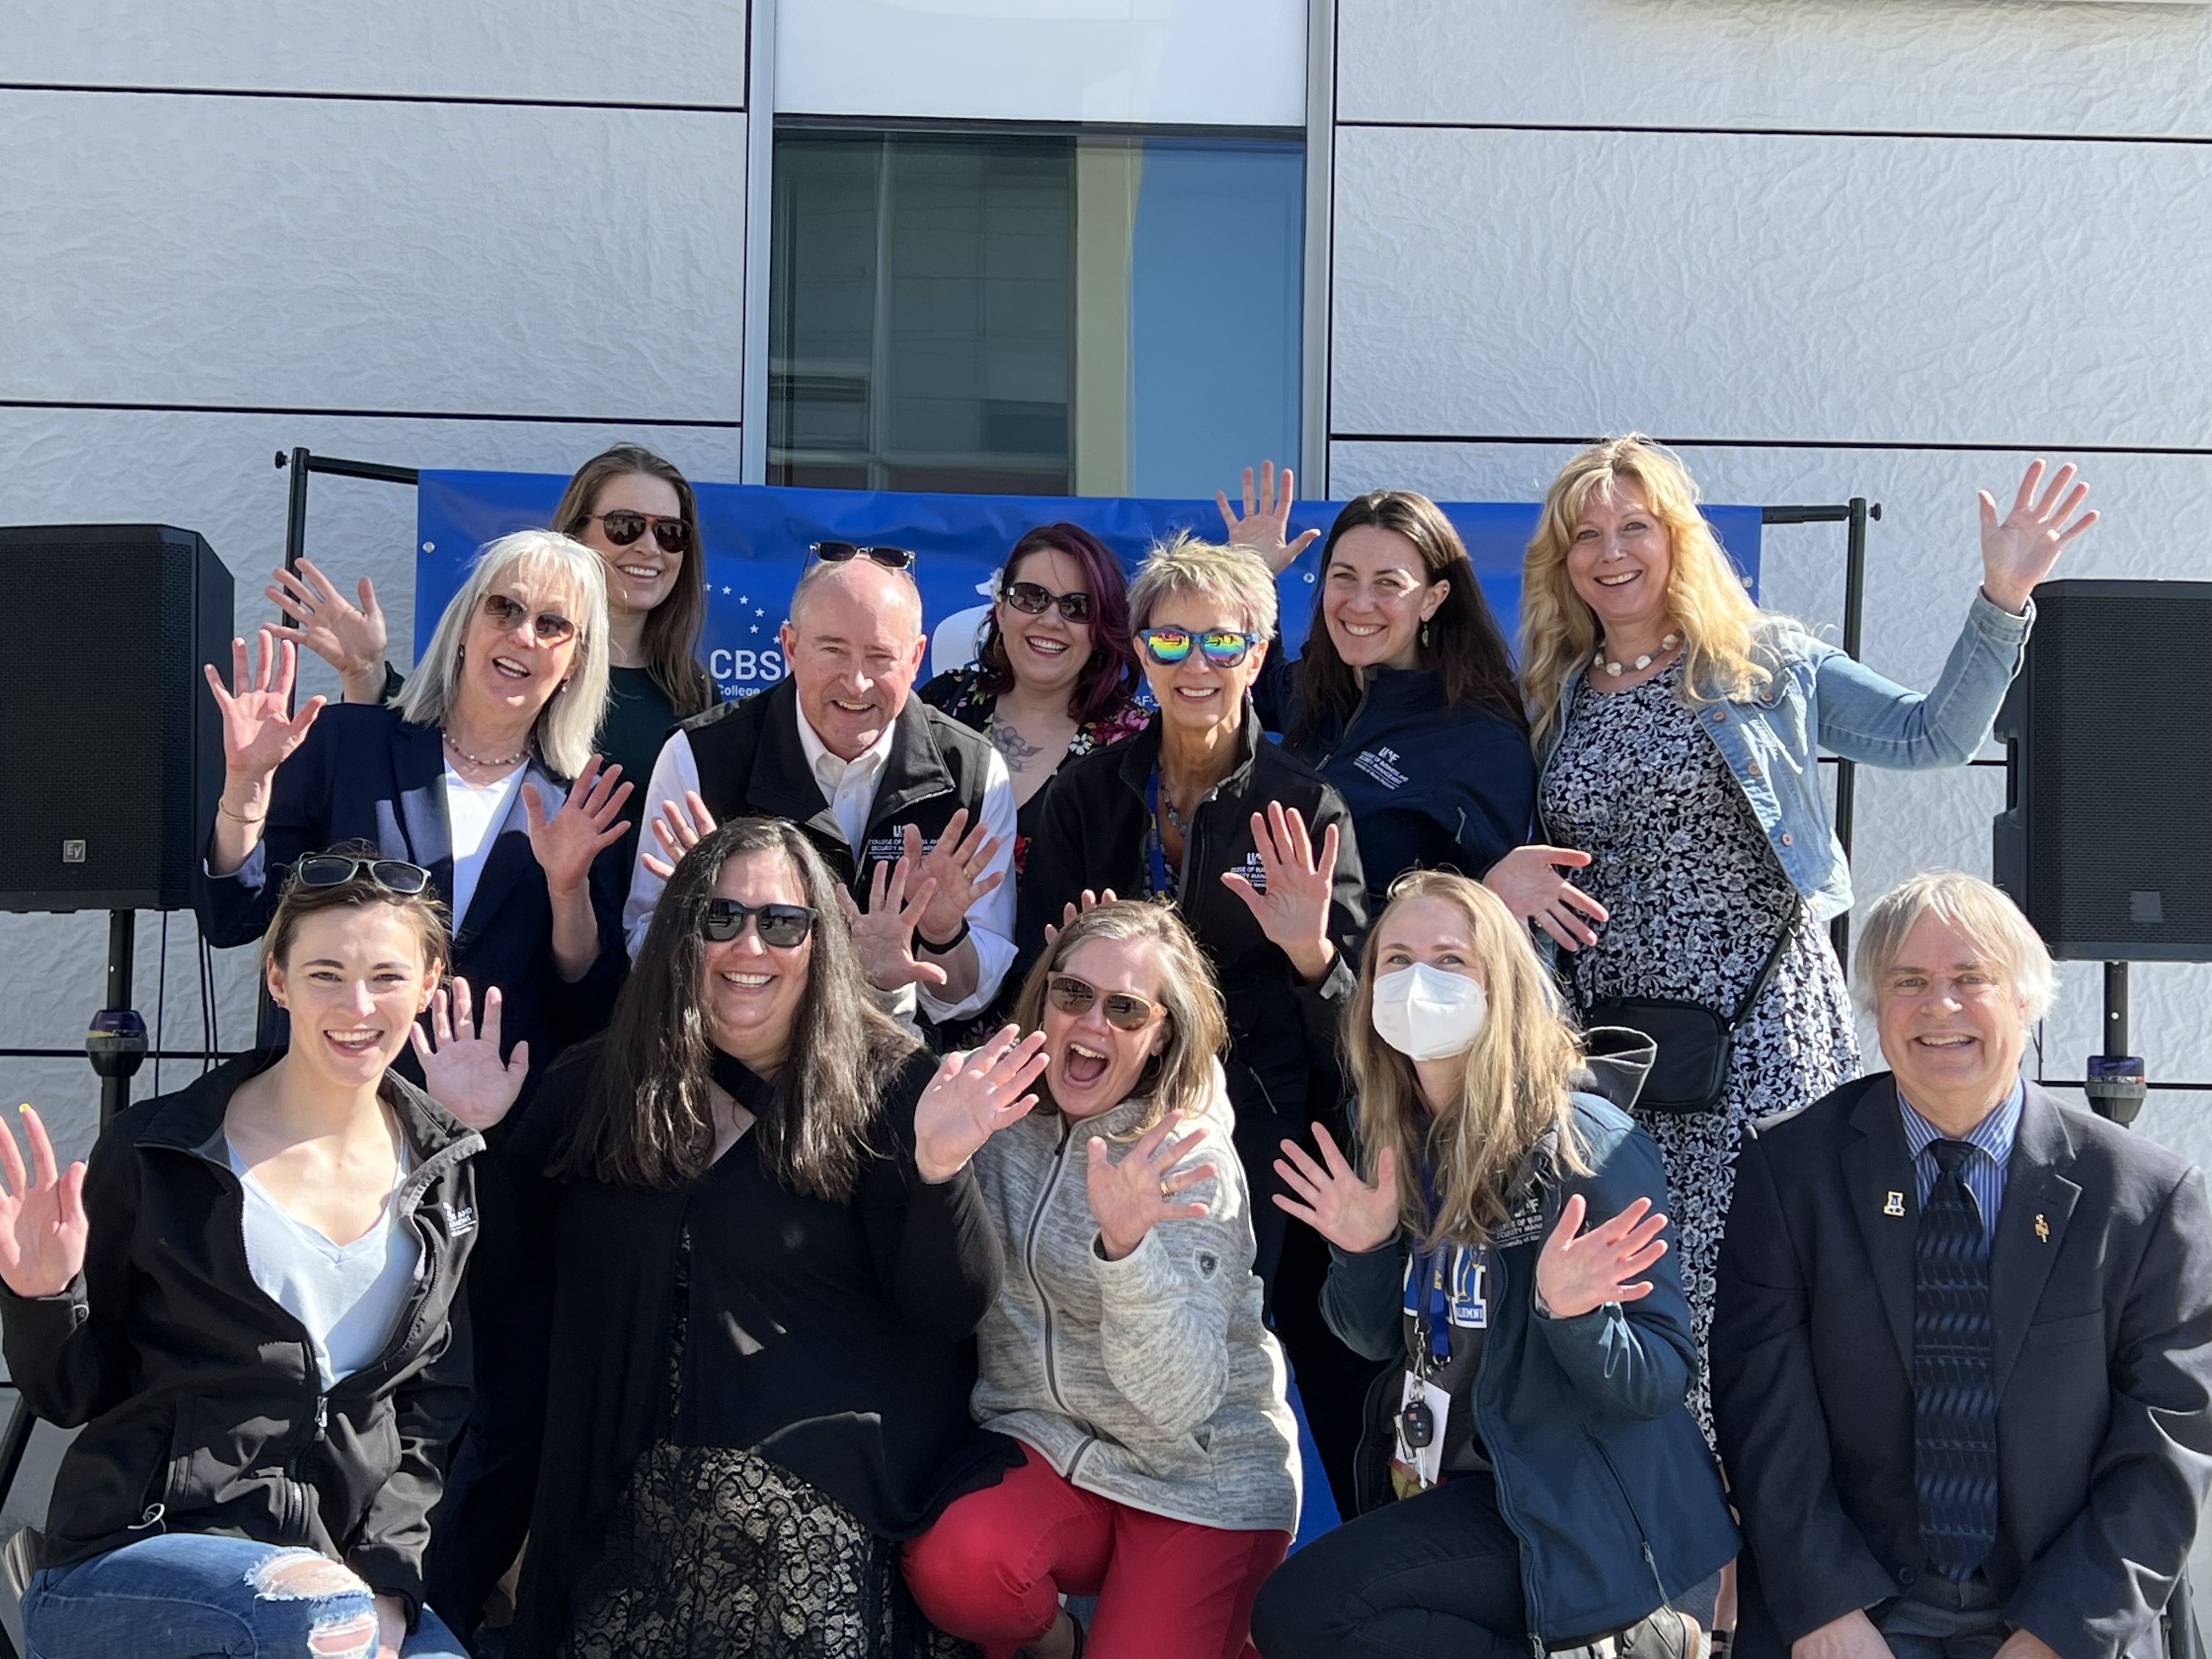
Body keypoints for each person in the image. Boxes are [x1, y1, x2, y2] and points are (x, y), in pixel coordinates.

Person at [1500, 436, 2097, 1447]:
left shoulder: (1761, 660)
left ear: (1676, 539)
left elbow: (1930, 734)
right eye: (1585, 535)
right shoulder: (1553, 693)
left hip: (1758, 1026)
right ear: (1562, 564)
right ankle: (1678, 1561)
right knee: (1639, 1277)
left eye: (1633, 526)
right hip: (1617, 1050)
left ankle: (1765, 1560)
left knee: (1765, 1275)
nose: (1611, 551)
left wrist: (2002, 598)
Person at [192, 527, 634, 1642]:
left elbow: (589, 1009)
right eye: (505, 610)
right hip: (328, 1133)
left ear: (578, 659)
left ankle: (420, 1611)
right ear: (467, 620)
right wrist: (247, 785)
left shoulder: (578, 795)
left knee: (489, 1405)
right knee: (325, 1372)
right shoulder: (349, 745)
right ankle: (303, 1596)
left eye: (553, 626)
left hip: (497, 1153)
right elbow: (242, 911)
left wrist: (570, 888)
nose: (523, 638)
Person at [508, 817, 1039, 1658]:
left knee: (764, 1520)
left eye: (782, 922)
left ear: (819, 944)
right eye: (720, 917)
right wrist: (470, 1139)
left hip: (816, 1477)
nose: (748, 944)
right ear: (682, 932)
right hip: (627, 1479)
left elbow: (948, 1309)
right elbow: (504, 1268)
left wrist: (938, 1173)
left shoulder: (890, 1084)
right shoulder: (600, 1087)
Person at [2, 857, 527, 1659]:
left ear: (428, 986)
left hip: (335, 1574)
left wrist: (390, 1585)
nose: (357, 1006)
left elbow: (428, 1410)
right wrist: (42, 1297)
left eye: (387, 976)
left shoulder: (442, 1170)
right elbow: (72, 1394)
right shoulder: (158, 1151)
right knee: (306, 1619)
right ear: (278, 979)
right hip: (133, 1553)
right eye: (327, 973)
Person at [1712, 872, 2212, 1659]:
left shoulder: (2147, 1199)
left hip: (2059, 1611)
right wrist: (1824, 1612)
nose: (1938, 1007)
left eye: (1970, 979)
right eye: (1908, 982)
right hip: (1857, 1606)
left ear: (2026, 999)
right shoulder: (1789, 1171)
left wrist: (2056, 1635)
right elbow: (1763, 1411)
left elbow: (2167, 1446)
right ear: (1878, 1006)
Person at [1250, 872, 1736, 1659]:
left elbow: (1658, 1379)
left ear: (1502, 986)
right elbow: (1373, 1339)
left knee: (1308, 1612)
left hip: (1567, 1508)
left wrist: (1574, 1318)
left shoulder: (1585, 1141)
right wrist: (1364, 1248)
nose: (1418, 982)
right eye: (1397, 961)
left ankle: (1643, 1640)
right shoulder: (1395, 1132)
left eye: (1450, 961)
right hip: (1450, 1481)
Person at [902, 901, 1301, 1659]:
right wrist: (893, 993)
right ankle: (1062, 1643)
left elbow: (1179, 1402)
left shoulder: (1188, 1159)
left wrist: (1128, 1254)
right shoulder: (996, 1108)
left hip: (1198, 1480)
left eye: (1125, 1008)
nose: (1091, 1025)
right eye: (1073, 993)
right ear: (1043, 998)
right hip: (1048, 1449)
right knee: (956, 1566)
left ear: (1161, 1039)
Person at [271, 442, 720, 878]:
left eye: (670, 533)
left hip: (632, 942)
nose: (649, 547)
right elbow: (383, 778)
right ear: (576, 533)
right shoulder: (497, 669)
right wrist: (365, 673)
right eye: (626, 525)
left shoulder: (693, 693)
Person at [625, 547, 1019, 1039]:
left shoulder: (975, 775)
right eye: (832, 650)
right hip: (729, 1064)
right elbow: (644, 945)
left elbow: (967, 997)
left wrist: (941, 936)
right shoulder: (699, 758)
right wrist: (708, 919)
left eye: (881, 657)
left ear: (916, 658)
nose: (856, 683)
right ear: (790, 648)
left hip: (891, 1072)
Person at [1219, 462, 1534, 910]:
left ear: (1433, 599)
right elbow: (1255, 680)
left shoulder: (1482, 744)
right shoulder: (1317, 687)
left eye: (1389, 583)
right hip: (1258, 971)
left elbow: (1478, 920)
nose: (1360, 603)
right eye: (1344, 577)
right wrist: (1249, 577)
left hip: (1374, 976)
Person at [918, 520, 1151, 871]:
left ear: (1100, 629)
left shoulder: (1136, 741)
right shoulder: (943, 704)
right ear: (1001, 608)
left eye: (1077, 607)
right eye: (1031, 598)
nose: (1051, 620)